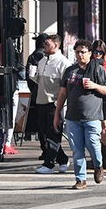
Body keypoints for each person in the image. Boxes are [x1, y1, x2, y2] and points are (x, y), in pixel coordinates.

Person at [53, 40, 106, 189]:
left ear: (90, 53)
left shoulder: (98, 70)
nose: (80, 55)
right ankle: (80, 179)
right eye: (77, 52)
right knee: (77, 149)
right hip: (73, 117)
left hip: (92, 116)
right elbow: (62, 93)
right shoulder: (70, 71)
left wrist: (94, 86)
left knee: (93, 145)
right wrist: (57, 113)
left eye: (83, 52)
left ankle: (98, 166)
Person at [28, 34, 70, 173]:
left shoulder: (63, 63)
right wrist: (33, 76)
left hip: (54, 102)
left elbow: (66, 86)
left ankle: (49, 163)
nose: (44, 46)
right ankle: (62, 159)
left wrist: (62, 103)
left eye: (47, 44)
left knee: (54, 131)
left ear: (56, 45)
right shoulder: (41, 61)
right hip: (41, 100)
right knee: (45, 131)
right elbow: (39, 80)